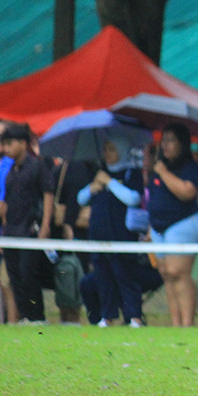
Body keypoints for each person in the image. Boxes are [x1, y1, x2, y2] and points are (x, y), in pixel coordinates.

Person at [78, 136, 147, 327]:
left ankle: (134, 317)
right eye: (106, 149)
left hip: (121, 236)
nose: (108, 154)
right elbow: (81, 199)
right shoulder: (100, 173)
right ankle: (107, 316)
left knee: (124, 276)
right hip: (99, 235)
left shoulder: (131, 174)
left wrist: (110, 183)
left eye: (112, 149)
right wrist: (94, 186)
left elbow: (133, 198)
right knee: (103, 276)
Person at [148, 123, 198, 327]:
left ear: (182, 144)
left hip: (184, 222)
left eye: (171, 140)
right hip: (158, 228)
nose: (165, 145)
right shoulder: (156, 166)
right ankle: (176, 324)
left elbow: (187, 192)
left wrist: (164, 173)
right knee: (166, 274)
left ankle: (187, 323)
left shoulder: (188, 166)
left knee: (178, 272)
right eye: (163, 141)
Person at [0, 122, 54, 324]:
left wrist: (45, 225)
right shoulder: (11, 171)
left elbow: (48, 195)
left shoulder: (37, 167)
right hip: (11, 231)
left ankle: (37, 316)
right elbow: (6, 202)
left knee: (27, 274)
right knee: (14, 276)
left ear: (23, 143)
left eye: (9, 143)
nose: (5, 149)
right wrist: (4, 231)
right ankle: (25, 316)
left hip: (29, 230)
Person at [0, 123, 19, 323]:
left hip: (5, 230)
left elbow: (4, 203)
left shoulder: (8, 166)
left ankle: (11, 321)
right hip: (2, 228)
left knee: (6, 280)